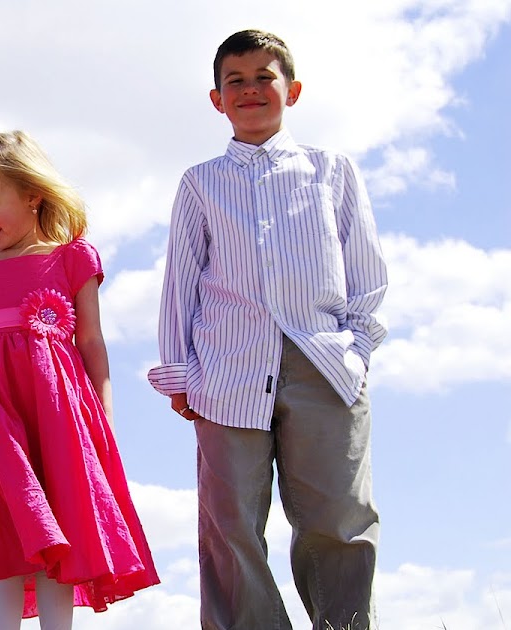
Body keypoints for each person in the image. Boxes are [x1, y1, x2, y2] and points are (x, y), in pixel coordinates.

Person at [148, 29, 388, 630]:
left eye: (264, 78)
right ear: (217, 99)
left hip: (325, 365)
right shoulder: (200, 183)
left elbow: (366, 273)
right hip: (226, 371)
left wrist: (357, 352)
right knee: (229, 524)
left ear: (292, 90)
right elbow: (181, 281)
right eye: (236, 81)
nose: (250, 90)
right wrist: (180, 373)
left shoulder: (331, 170)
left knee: (338, 517)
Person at [0, 128, 159, 630]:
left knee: (59, 518)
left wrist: (102, 416)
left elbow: (92, 342)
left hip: (60, 414)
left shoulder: (72, 258)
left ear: (32, 194)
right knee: (2, 520)